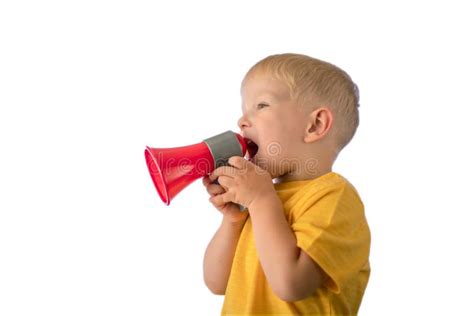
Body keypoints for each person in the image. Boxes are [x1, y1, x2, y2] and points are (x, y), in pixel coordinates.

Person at [202, 53, 370, 315]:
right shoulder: (261, 196)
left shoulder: (334, 197)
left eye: (262, 105)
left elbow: (291, 284)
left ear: (315, 125)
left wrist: (261, 201)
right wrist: (233, 221)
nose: (242, 121)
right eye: (244, 109)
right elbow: (216, 282)